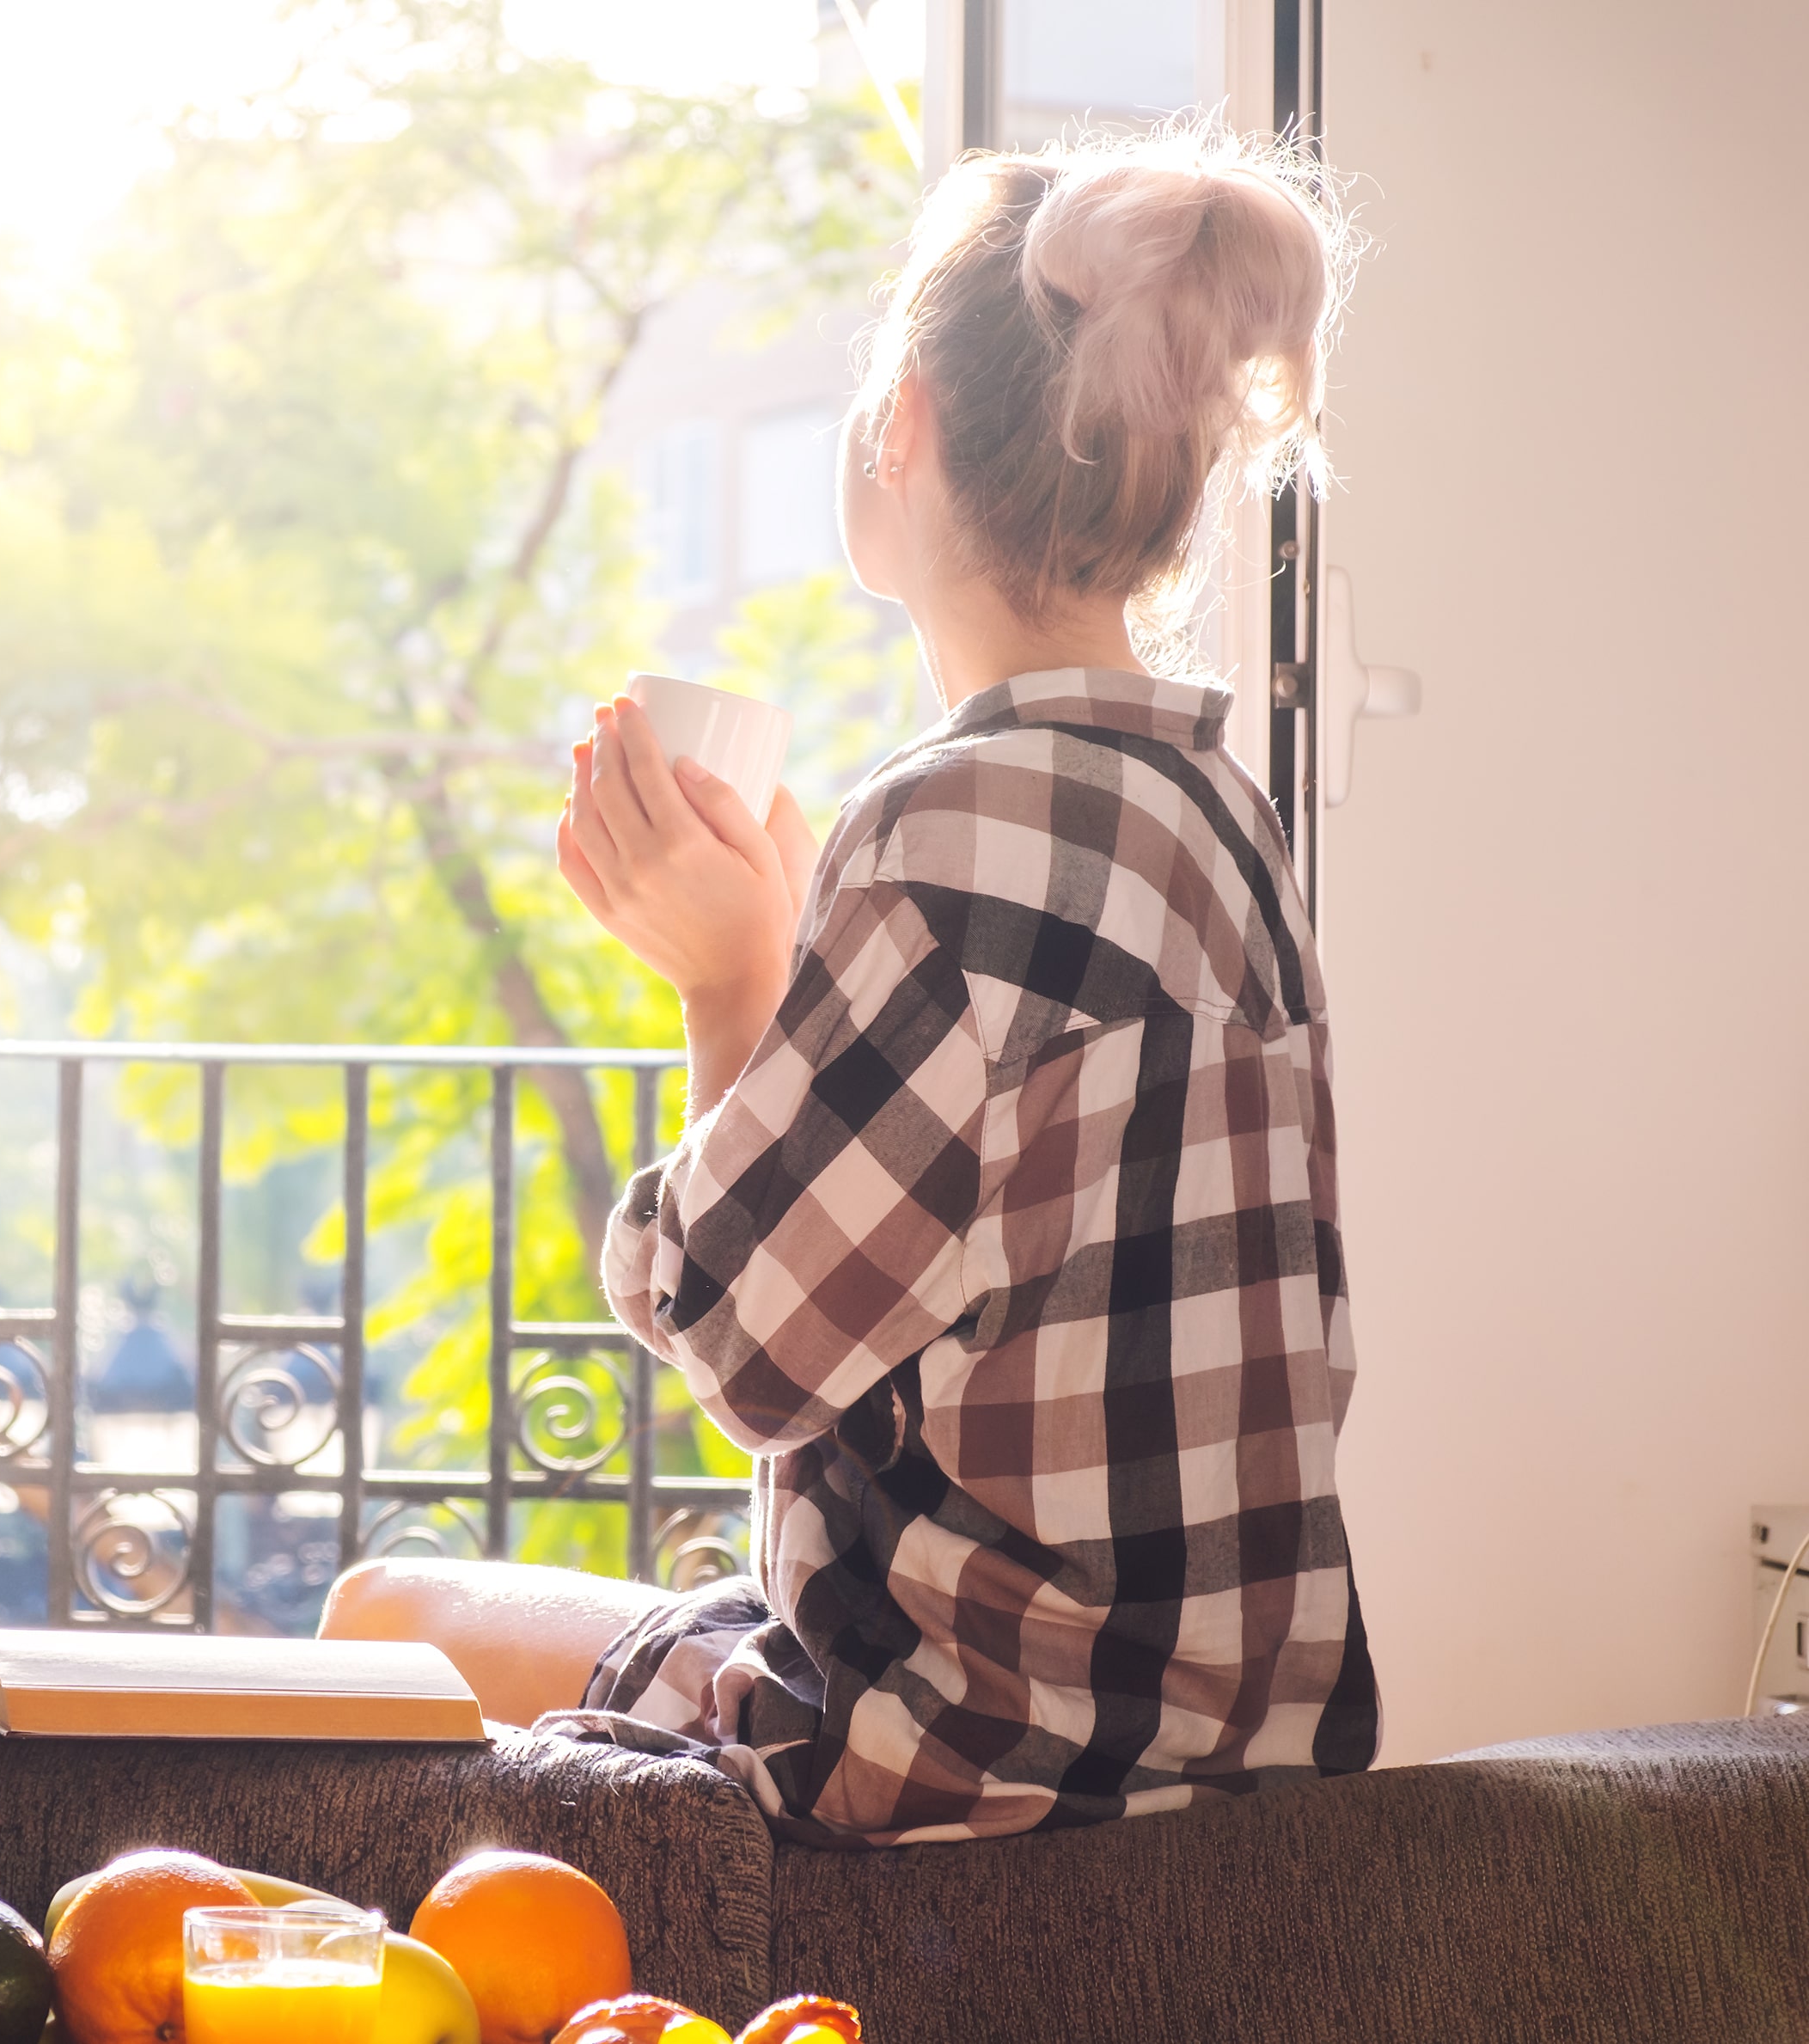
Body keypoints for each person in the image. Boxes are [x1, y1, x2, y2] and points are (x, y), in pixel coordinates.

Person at [320, 124, 1377, 1847]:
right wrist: (818, 955)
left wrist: (730, 977)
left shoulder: (941, 826)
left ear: (899, 429)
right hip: (1237, 1743)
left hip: (964, 1753)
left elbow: (748, 1352)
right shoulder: (1224, 815)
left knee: (382, 1612)